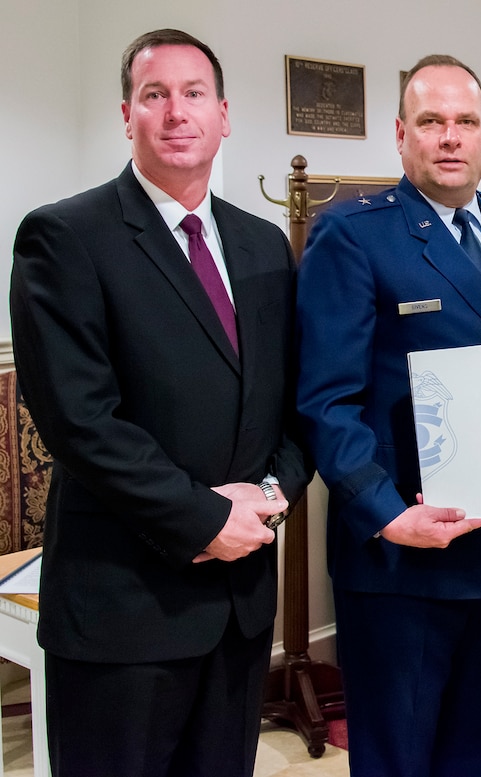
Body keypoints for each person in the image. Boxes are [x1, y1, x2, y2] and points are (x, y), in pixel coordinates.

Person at [9, 28, 310, 777]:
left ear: (224, 114)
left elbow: (293, 405)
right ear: (127, 114)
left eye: (193, 93)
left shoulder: (263, 245)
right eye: (155, 95)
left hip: (239, 606)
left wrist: (272, 497)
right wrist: (207, 517)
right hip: (124, 613)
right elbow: (80, 422)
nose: (177, 111)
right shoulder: (66, 237)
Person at [295, 55, 481, 776]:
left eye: (466, 121)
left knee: (477, 749)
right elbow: (325, 401)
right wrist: (383, 513)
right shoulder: (353, 235)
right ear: (401, 135)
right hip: (402, 555)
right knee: (400, 756)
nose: (450, 137)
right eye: (431, 122)